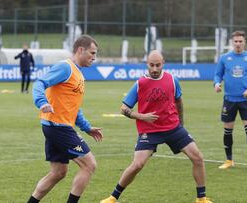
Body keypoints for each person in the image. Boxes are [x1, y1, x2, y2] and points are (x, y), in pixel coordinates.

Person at [100, 50, 212, 203]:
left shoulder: (172, 80)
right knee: (137, 165)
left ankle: (201, 198)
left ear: (163, 63)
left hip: (173, 128)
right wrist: (142, 116)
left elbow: (179, 102)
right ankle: (113, 197)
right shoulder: (140, 83)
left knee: (197, 157)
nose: (154, 69)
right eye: (151, 65)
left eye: (157, 65)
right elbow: (124, 108)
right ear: (147, 64)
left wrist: (181, 124)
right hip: (149, 131)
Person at [27, 35, 103, 203]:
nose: (94, 57)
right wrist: (42, 102)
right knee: (89, 165)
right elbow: (40, 83)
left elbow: (73, 106)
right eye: (92, 53)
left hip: (55, 126)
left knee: (58, 172)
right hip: (58, 127)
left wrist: (86, 127)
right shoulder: (65, 68)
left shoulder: (78, 73)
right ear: (80, 50)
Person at [214, 30, 247, 170]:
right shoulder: (224, 58)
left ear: (244, 42)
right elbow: (217, 75)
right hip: (229, 100)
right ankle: (229, 160)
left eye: (241, 41)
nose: (238, 44)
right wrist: (216, 84)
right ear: (232, 42)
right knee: (227, 131)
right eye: (236, 41)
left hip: (245, 100)